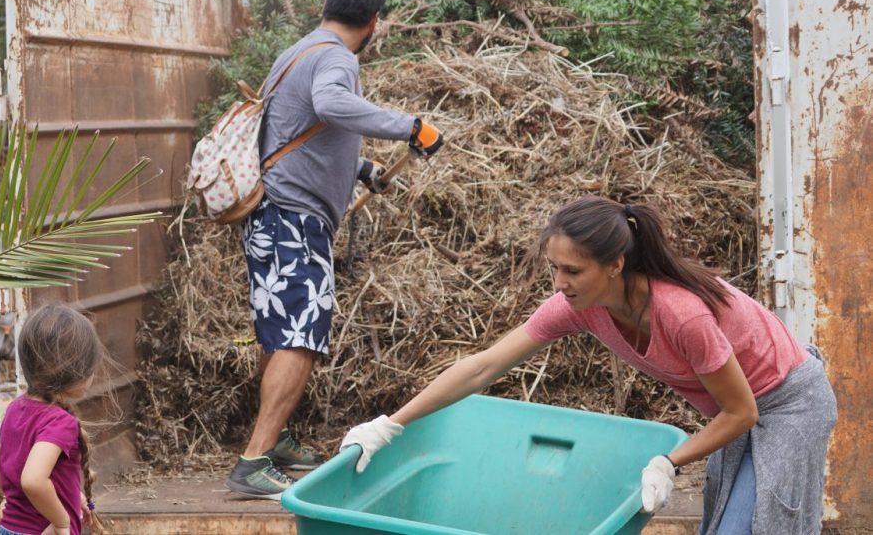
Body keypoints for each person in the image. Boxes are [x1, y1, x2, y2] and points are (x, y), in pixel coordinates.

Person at [342, 196, 837, 534]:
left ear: (615, 265)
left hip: (788, 402)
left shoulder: (680, 313)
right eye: (554, 268)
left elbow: (741, 412)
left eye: (572, 270)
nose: (559, 282)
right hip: (739, 409)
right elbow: (483, 366)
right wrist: (391, 425)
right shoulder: (580, 306)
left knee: (760, 526)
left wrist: (670, 461)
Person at [227, 0, 445, 500]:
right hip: (292, 219)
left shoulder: (298, 52)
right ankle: (254, 460)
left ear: (325, 9)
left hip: (273, 214)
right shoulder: (336, 60)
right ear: (373, 22)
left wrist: (364, 169)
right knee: (302, 336)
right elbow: (330, 104)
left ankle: (274, 441)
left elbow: (297, 128)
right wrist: (408, 127)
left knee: (281, 333)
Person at [0, 304, 105, 535]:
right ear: (78, 370)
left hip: (9, 528)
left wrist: (71, 495)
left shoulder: (15, 408)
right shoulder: (60, 422)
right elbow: (32, 480)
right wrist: (61, 521)